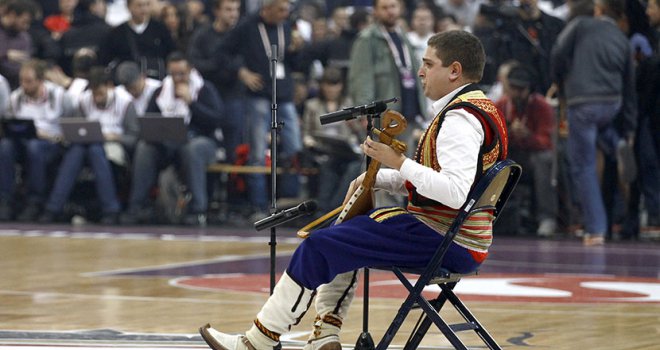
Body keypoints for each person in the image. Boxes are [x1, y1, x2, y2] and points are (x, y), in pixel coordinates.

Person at [198, 30, 508, 350]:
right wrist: (380, 178)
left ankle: (257, 342)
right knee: (344, 235)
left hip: (445, 238)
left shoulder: (458, 119)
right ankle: (325, 337)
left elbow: (455, 192)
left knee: (319, 246)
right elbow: (450, 183)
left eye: (429, 64)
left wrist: (398, 161)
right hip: (459, 237)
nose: (420, 71)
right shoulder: (479, 107)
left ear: (454, 70)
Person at [550, 0, 637, 245]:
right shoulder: (622, 38)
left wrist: (559, 82)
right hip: (612, 103)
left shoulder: (580, 25)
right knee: (601, 130)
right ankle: (616, 142)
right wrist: (629, 129)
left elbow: (558, 52)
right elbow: (630, 87)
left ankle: (596, 228)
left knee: (584, 165)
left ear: (598, 11)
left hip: (583, 102)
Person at [214, 0, 304, 217]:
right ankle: (259, 205)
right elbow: (222, 52)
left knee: (294, 150)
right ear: (267, 9)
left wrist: (298, 50)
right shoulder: (247, 25)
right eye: (281, 9)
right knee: (257, 151)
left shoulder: (288, 25)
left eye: (287, 10)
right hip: (258, 95)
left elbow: (296, 63)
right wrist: (241, 72)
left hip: (283, 94)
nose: (286, 13)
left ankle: (290, 203)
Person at [121, 52, 223, 226]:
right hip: (168, 142)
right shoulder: (161, 91)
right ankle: (137, 207)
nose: (177, 78)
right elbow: (150, 120)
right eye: (173, 74)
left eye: (181, 74)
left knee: (192, 149)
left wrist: (192, 103)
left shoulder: (204, 89)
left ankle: (198, 210)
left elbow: (216, 120)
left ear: (190, 70)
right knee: (145, 148)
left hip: (201, 140)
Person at [39, 66, 139, 224]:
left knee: (95, 151)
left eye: (100, 93)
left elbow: (134, 138)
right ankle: (53, 208)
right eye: (93, 94)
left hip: (113, 145)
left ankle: (111, 209)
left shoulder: (126, 102)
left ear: (109, 87)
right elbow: (77, 128)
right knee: (76, 151)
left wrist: (115, 136)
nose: (96, 98)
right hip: (85, 144)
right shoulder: (84, 100)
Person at [0, 59, 76, 221]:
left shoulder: (60, 96)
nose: (24, 85)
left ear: (41, 81)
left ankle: (35, 201)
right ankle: (5, 200)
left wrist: (50, 136)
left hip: (51, 143)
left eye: (28, 82)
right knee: (5, 146)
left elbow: (72, 126)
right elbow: (10, 123)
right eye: (21, 81)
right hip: (23, 141)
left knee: (35, 147)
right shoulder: (16, 98)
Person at [348, 0, 426, 155]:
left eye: (393, 6)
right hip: (384, 114)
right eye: (384, 8)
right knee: (380, 165)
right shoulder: (367, 38)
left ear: (401, 9)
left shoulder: (402, 35)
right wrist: (364, 111)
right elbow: (361, 77)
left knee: (404, 165)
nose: (390, 11)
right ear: (375, 11)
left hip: (407, 109)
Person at [495, 64, 558, 236]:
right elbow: (491, 140)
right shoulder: (501, 105)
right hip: (510, 156)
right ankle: (488, 215)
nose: (517, 93)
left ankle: (547, 218)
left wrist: (527, 136)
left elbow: (546, 143)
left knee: (544, 159)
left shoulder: (542, 106)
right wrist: (509, 133)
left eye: (521, 89)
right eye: (513, 88)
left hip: (531, 159)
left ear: (529, 90)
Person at [188, 0, 243, 163]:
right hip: (208, 98)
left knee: (234, 149)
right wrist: (219, 65)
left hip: (234, 96)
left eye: (236, 10)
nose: (233, 14)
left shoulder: (241, 35)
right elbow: (194, 63)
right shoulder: (202, 35)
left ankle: (234, 186)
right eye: (228, 9)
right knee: (206, 145)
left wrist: (223, 66)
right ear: (217, 11)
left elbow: (242, 64)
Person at [100, 0, 175, 80]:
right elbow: (104, 59)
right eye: (139, 5)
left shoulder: (160, 29)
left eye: (147, 4)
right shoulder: (117, 33)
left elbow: (172, 53)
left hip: (158, 80)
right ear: (128, 7)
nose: (144, 9)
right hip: (127, 82)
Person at [0, 0, 37, 89]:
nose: (26, 26)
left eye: (28, 23)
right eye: (24, 22)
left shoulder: (24, 37)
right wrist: (5, 55)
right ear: (12, 15)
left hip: (17, 84)